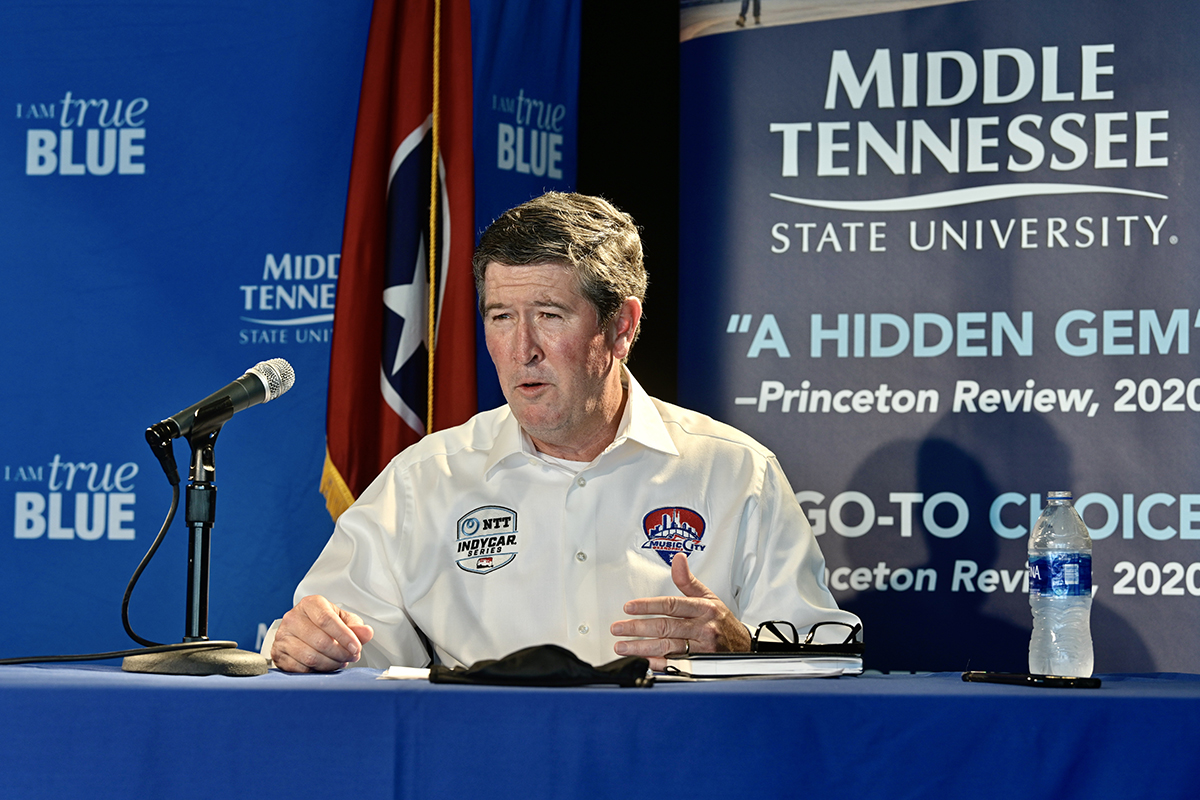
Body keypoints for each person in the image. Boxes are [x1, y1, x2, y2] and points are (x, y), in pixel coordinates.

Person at [266, 192, 859, 673]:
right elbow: (346, 647)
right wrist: (309, 643)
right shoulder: (425, 480)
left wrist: (740, 650)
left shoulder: (734, 472)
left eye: (550, 316)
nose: (522, 350)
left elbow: (821, 664)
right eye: (501, 318)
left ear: (621, 326)